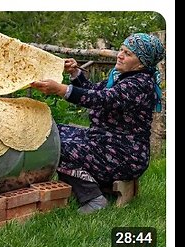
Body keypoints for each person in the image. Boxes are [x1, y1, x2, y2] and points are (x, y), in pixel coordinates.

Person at [30, 33, 165, 214]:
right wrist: (75, 73)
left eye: (128, 53)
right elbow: (94, 90)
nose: (120, 55)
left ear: (142, 62)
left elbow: (102, 99)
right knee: (50, 132)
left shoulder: (139, 84)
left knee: (58, 147)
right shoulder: (122, 76)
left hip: (123, 155)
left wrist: (61, 90)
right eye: (121, 50)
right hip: (104, 140)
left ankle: (92, 198)